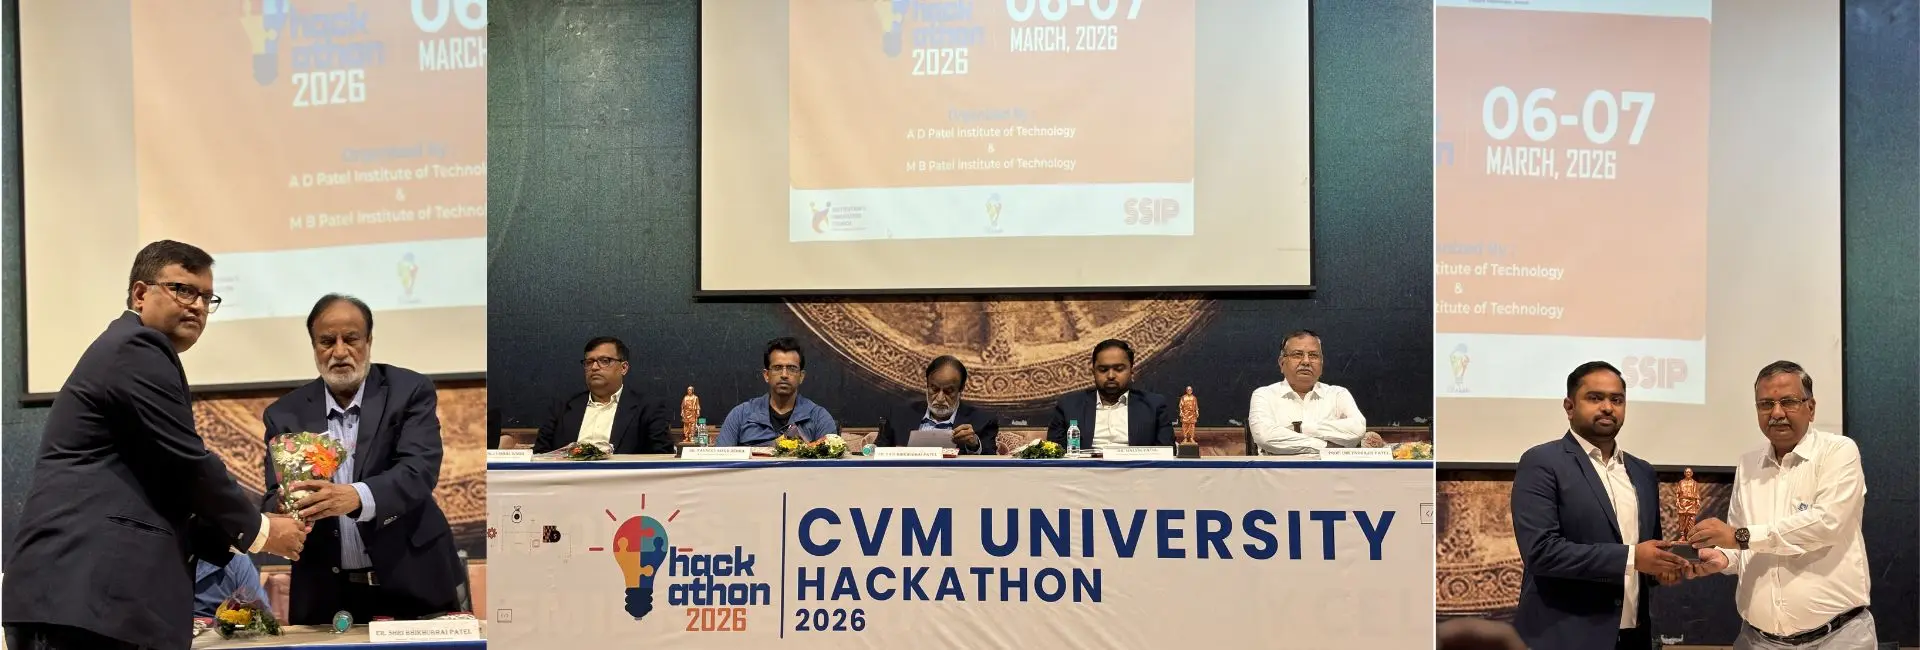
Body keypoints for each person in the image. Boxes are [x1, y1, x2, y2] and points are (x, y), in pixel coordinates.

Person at [2, 240, 307, 650]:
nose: (197, 306)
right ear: (140, 294)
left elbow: (167, 483)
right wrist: (262, 531)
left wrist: (239, 530)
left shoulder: (132, 350)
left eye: (207, 297)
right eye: (183, 290)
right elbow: (188, 463)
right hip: (82, 600)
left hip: (88, 603)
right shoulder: (137, 347)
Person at [259, 294, 465, 624]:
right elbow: (273, 495)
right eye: (327, 341)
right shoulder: (285, 414)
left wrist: (354, 496)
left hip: (413, 578)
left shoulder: (409, 391)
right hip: (326, 590)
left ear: (368, 341)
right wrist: (286, 504)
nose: (340, 351)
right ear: (314, 347)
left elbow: (419, 470)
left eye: (351, 339)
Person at [1687, 361, 1875, 648]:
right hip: (1757, 640)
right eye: (1765, 404)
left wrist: (1739, 537)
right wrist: (1723, 558)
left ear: (1811, 408)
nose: (1776, 413)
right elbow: (1742, 545)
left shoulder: (1838, 452)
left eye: (1788, 402)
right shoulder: (1749, 464)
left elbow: (1825, 526)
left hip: (1836, 638)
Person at [1510, 361, 1687, 650]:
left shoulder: (1642, 471)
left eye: (1617, 400)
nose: (1607, 407)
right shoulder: (1542, 462)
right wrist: (1633, 557)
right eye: (1595, 398)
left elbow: (1646, 554)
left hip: (1633, 636)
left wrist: (1662, 569)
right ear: (1569, 407)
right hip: (1564, 638)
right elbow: (1541, 552)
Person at [532, 336, 675, 454]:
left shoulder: (648, 408)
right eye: (589, 362)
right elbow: (539, 455)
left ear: (623, 368)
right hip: (569, 478)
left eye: (604, 361)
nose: (594, 367)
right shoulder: (561, 408)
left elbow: (663, 457)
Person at [1246, 329, 1381, 454]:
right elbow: (1266, 437)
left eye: (1313, 355)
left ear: (1321, 364)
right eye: (1297, 354)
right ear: (1282, 363)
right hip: (1280, 471)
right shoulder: (1264, 395)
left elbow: (1357, 429)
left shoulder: (1337, 394)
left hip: (1330, 471)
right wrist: (1327, 447)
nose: (1306, 361)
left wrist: (1302, 429)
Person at [1046, 339, 1174, 449]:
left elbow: (1166, 452)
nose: (1111, 375)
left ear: (1131, 371)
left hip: (1135, 469)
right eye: (1103, 370)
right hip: (1085, 469)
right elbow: (1055, 453)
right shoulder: (1069, 406)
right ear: (1093, 372)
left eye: (1119, 369)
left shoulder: (1154, 405)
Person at [717, 336, 839, 446]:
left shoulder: (819, 418)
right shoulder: (740, 415)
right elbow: (720, 460)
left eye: (792, 368)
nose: (784, 375)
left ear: (801, 376)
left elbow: (831, 461)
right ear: (766, 375)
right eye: (777, 368)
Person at [875, 355, 1000, 454]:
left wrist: (974, 445)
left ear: (961, 389)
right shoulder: (898, 415)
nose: (940, 398)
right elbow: (876, 454)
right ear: (927, 385)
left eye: (948, 391)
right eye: (934, 389)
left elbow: (992, 463)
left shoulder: (982, 421)